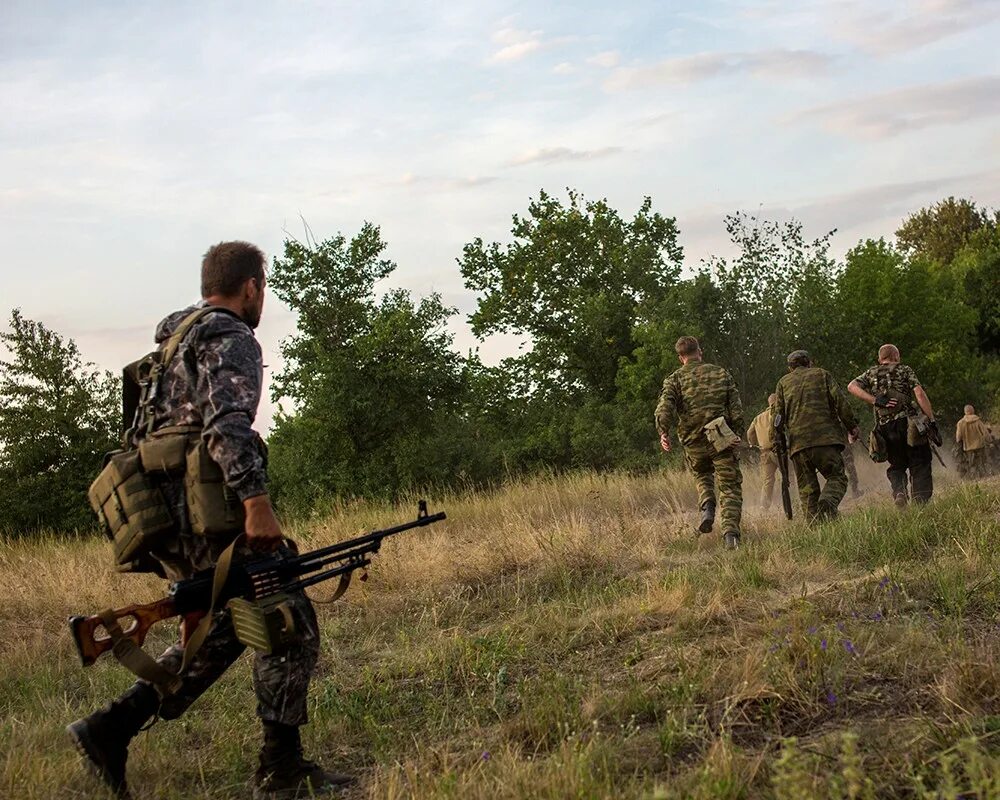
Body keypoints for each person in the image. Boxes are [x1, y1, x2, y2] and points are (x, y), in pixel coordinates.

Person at [66, 242, 350, 799]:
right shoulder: (229, 336)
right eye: (262, 288)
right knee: (286, 621)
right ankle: (282, 772)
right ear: (250, 286)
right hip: (212, 516)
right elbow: (226, 425)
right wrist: (255, 502)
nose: (261, 299)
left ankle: (111, 728)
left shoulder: (167, 348)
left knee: (227, 627)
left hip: (171, 519)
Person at [656, 336, 745, 550]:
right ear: (700, 351)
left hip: (692, 438)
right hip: (720, 435)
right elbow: (736, 408)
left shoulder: (674, 379)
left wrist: (663, 432)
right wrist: (736, 433)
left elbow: (665, 406)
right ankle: (730, 536)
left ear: (680, 357)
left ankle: (707, 507)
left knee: (702, 474)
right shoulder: (720, 373)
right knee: (730, 486)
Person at [774, 351, 860, 522]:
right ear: (809, 363)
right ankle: (827, 504)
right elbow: (840, 402)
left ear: (790, 368)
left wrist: (779, 444)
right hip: (826, 440)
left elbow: (777, 418)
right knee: (837, 477)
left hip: (798, 445)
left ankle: (815, 527)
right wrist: (852, 426)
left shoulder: (783, 383)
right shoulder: (822, 374)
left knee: (807, 491)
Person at [848, 344, 936, 506]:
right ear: (897, 356)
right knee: (920, 461)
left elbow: (851, 386)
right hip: (910, 424)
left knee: (897, 464)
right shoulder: (905, 370)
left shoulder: (871, 373)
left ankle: (899, 492)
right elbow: (919, 394)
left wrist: (875, 400)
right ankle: (920, 502)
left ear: (880, 359)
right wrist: (931, 420)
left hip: (886, 428)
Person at [747, 394, 779, 509]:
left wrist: (754, 444)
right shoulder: (778, 415)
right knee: (790, 476)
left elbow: (750, 433)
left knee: (768, 480)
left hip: (764, 452)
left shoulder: (758, 418)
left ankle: (764, 506)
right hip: (779, 451)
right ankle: (793, 501)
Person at [955, 404, 993, 479]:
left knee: (971, 463)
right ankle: (983, 477)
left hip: (968, 447)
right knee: (981, 462)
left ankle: (973, 478)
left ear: (965, 412)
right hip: (980, 445)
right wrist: (990, 441)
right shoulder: (978, 421)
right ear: (972, 411)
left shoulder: (960, 423)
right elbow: (985, 433)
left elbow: (958, 438)